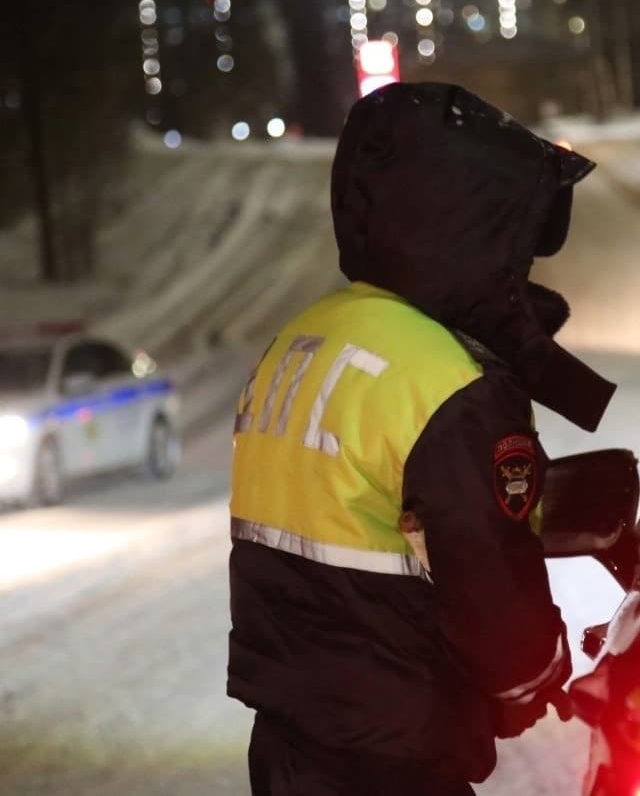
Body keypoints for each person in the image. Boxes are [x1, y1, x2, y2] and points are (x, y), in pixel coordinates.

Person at [226, 82, 616, 795]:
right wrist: (534, 673)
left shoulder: (306, 339)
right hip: (393, 752)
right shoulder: (450, 383)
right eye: (516, 240)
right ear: (469, 227)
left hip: (287, 743)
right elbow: (486, 569)